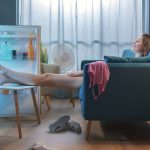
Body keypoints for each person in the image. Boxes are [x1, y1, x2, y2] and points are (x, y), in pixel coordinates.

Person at [0, 33, 150, 89]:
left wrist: (80, 71)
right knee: (45, 79)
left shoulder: (141, 61)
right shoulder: (131, 58)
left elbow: (109, 65)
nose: (134, 43)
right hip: (91, 77)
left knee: (45, 78)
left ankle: (7, 72)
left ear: (146, 45)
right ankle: (6, 78)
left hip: (92, 81)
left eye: (138, 41)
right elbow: (108, 66)